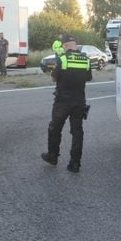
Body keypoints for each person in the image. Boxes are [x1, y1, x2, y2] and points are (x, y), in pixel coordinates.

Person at [41, 34, 92, 173]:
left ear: (64, 46)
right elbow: (89, 78)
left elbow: (53, 78)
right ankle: (75, 164)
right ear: (75, 45)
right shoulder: (86, 59)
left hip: (63, 101)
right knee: (77, 132)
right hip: (79, 101)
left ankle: (53, 156)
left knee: (55, 128)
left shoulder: (62, 59)